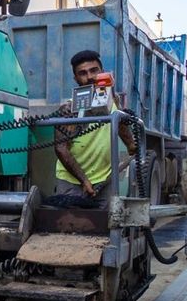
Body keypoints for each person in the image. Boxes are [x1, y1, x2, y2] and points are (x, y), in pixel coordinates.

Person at [54, 49, 138, 202]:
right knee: (70, 217)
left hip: (105, 179)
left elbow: (119, 123)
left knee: (108, 217)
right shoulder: (68, 111)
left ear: (102, 71)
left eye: (94, 70)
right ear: (76, 78)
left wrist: (131, 144)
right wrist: (84, 180)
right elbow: (61, 149)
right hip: (72, 181)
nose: (90, 77)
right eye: (83, 73)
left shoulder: (112, 99)